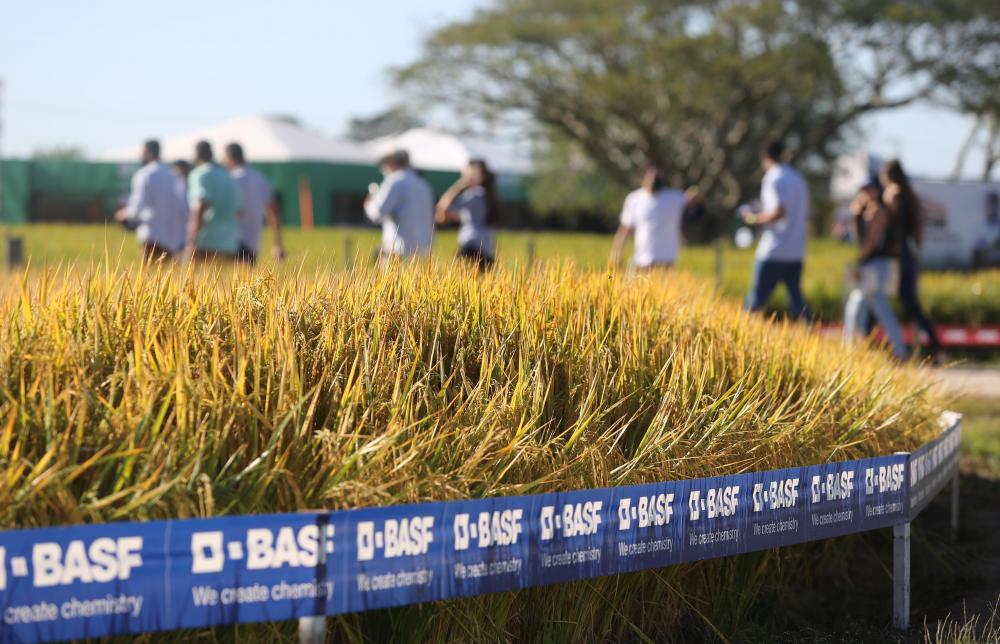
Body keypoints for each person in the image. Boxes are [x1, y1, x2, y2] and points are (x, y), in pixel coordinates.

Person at [742, 140, 812, 321]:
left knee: (755, 301)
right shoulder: (798, 179)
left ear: (765, 156)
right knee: (797, 302)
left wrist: (754, 218)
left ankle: (736, 335)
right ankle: (813, 332)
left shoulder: (773, 177)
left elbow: (779, 212)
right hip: (796, 250)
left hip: (774, 250)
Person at [881, 159, 942, 358]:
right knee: (911, 303)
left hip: (896, 255)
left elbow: (892, 226)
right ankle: (933, 345)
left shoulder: (893, 193)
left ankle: (893, 347)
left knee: (880, 299)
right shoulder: (909, 194)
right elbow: (917, 228)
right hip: (909, 252)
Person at [843, 180, 908, 359]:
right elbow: (860, 240)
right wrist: (855, 216)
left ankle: (898, 351)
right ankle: (854, 348)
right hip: (870, 265)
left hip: (876, 266)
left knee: (870, 307)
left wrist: (859, 259)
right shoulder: (866, 212)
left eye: (868, 191)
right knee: (860, 307)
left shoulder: (880, 212)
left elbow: (871, 242)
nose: (865, 195)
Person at [610, 165, 701, 270]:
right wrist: (616, 253)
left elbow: (693, 203)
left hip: (666, 262)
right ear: (643, 178)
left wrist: (696, 197)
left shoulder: (674, 197)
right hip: (641, 261)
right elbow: (625, 229)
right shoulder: (634, 199)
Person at [114, 139, 188, 259]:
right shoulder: (173, 175)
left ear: (149, 152)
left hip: (151, 236)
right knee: (167, 276)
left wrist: (123, 214)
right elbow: (183, 209)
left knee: (148, 275)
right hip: (172, 240)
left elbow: (137, 207)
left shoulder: (145, 174)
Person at [364, 150, 434, 261]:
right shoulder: (424, 185)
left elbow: (377, 213)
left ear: (392, 163)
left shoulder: (394, 181)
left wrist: (369, 202)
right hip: (423, 251)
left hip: (397, 250)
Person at [223, 142, 286, 264]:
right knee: (245, 282)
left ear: (229, 158)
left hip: (230, 243)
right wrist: (278, 243)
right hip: (252, 243)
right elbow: (273, 211)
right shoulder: (260, 178)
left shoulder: (231, 180)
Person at [435, 159, 499, 270]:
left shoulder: (475, 195)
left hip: (471, 247)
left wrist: (460, 185)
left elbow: (442, 207)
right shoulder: (486, 195)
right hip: (486, 248)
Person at [182, 141, 241, 261]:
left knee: (196, 279)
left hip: (205, 242)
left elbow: (200, 206)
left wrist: (192, 239)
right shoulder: (228, 176)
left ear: (196, 154)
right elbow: (239, 210)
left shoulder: (200, 174)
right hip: (229, 243)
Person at [973, 191, 1000, 268]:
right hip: (986, 262)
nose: (989, 207)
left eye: (992, 204)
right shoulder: (981, 226)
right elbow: (978, 247)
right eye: (988, 204)